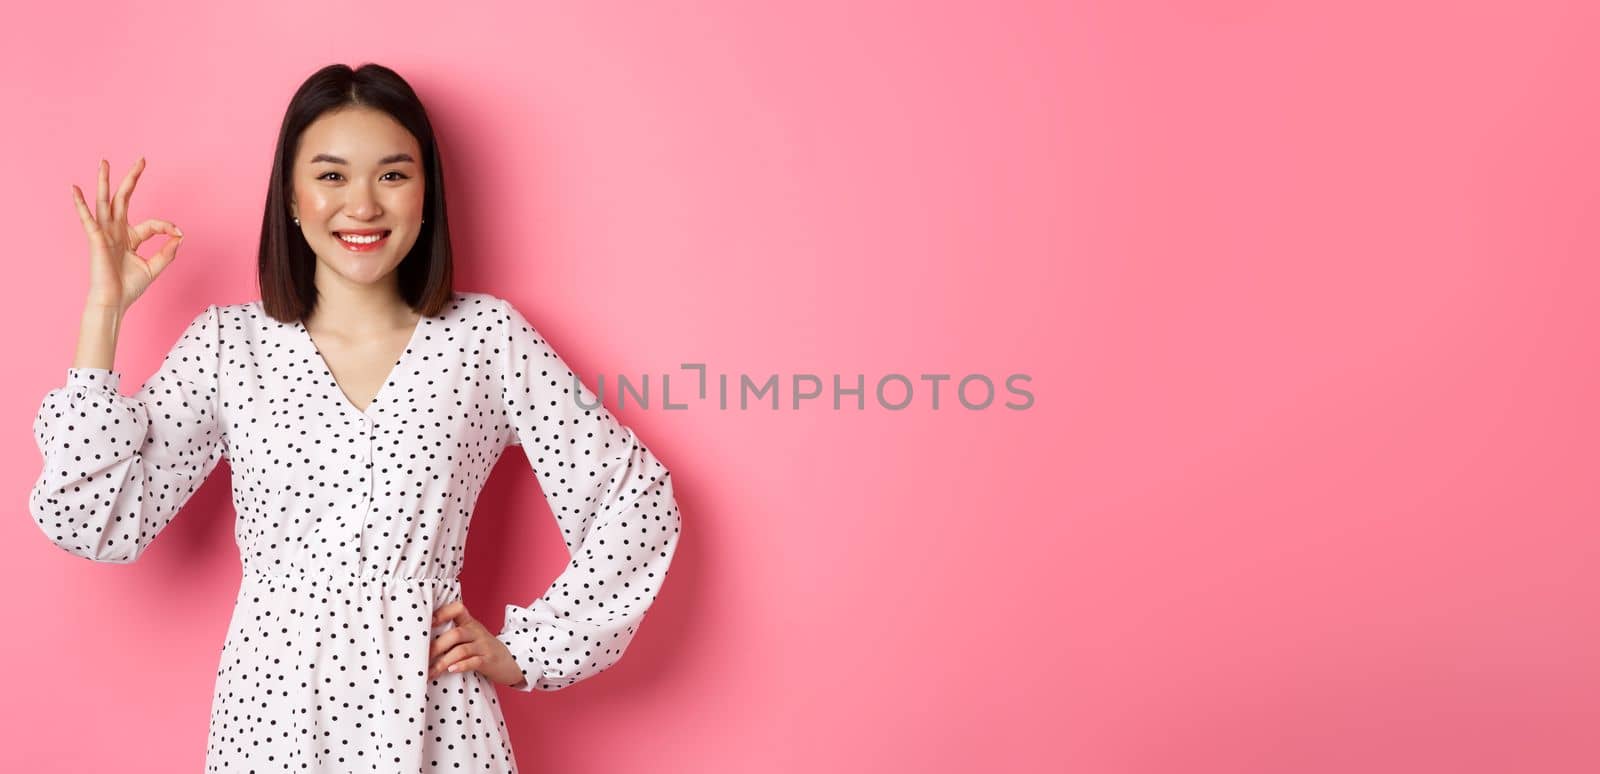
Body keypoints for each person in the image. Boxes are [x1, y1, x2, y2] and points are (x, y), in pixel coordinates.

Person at [28, 62, 682, 772]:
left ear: (426, 195)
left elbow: (634, 498)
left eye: (393, 175)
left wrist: (531, 650)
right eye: (332, 176)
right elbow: (94, 520)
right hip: (270, 723)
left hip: (436, 720)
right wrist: (104, 314)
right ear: (291, 197)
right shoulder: (229, 346)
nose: (363, 205)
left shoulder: (486, 339)